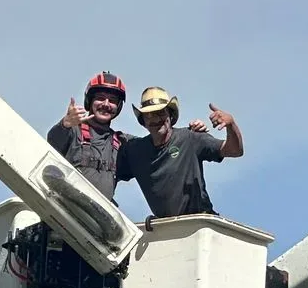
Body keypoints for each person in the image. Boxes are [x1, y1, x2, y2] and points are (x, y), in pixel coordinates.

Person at [117, 85, 243, 219]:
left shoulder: (190, 138)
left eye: (161, 113)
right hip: (167, 228)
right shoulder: (135, 151)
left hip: (200, 223)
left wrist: (231, 125)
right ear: (143, 121)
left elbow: (235, 150)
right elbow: (108, 171)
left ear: (170, 116)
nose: (155, 119)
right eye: (149, 115)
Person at [47, 72, 128, 199]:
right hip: (66, 206)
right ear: (89, 101)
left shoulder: (122, 142)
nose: (106, 104)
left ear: (119, 107)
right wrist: (65, 124)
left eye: (112, 101)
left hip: (97, 215)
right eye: (100, 98)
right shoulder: (73, 130)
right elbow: (52, 143)